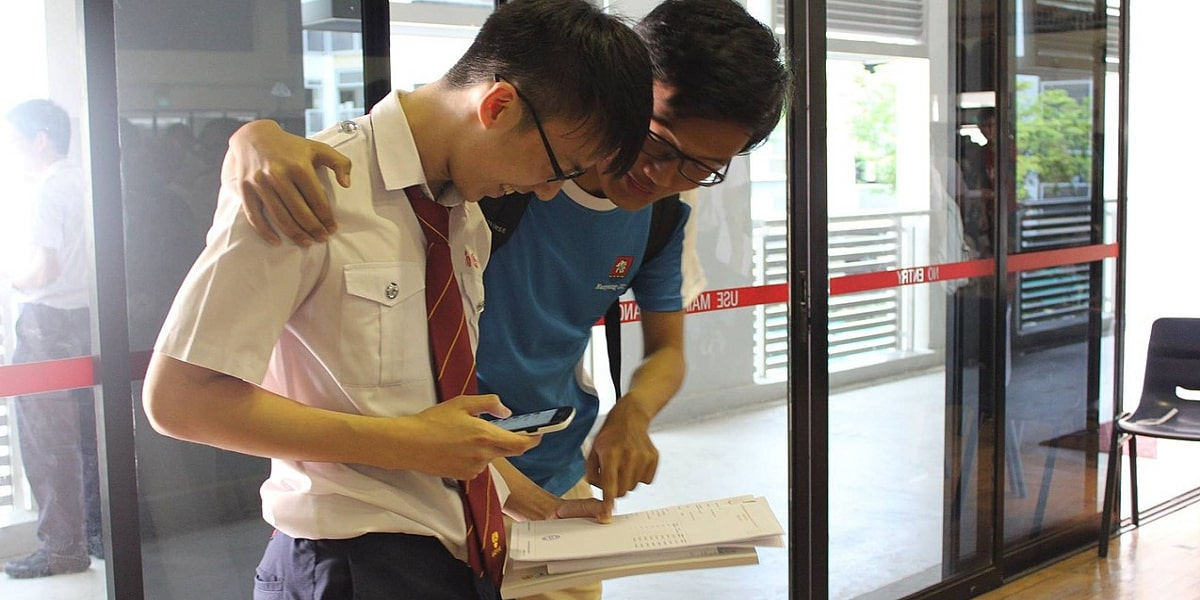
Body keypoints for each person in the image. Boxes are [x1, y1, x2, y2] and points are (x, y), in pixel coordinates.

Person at [228, 3, 789, 598]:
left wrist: (633, 414)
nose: (663, 175)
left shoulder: (661, 215)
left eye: (702, 168)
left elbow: (667, 348)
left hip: (545, 486)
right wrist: (252, 138)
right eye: (656, 142)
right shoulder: (497, 171)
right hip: (416, 494)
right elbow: (386, 152)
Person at [140, 1, 652, 598]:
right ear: (498, 106)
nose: (544, 192)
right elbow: (178, 400)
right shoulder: (305, 187)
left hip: (452, 557)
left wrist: (522, 497)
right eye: (556, 167)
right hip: (346, 564)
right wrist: (408, 444)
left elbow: (422, 400)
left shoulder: (466, 220)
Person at [1, 99, 103, 578]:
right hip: (90, 321)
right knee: (91, 437)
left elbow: (44, 268)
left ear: (40, 138)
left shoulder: (46, 190)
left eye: (16, 139)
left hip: (46, 324)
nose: (12, 149)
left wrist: (12, 278)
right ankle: (101, 535)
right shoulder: (87, 179)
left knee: (48, 443)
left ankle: (63, 548)